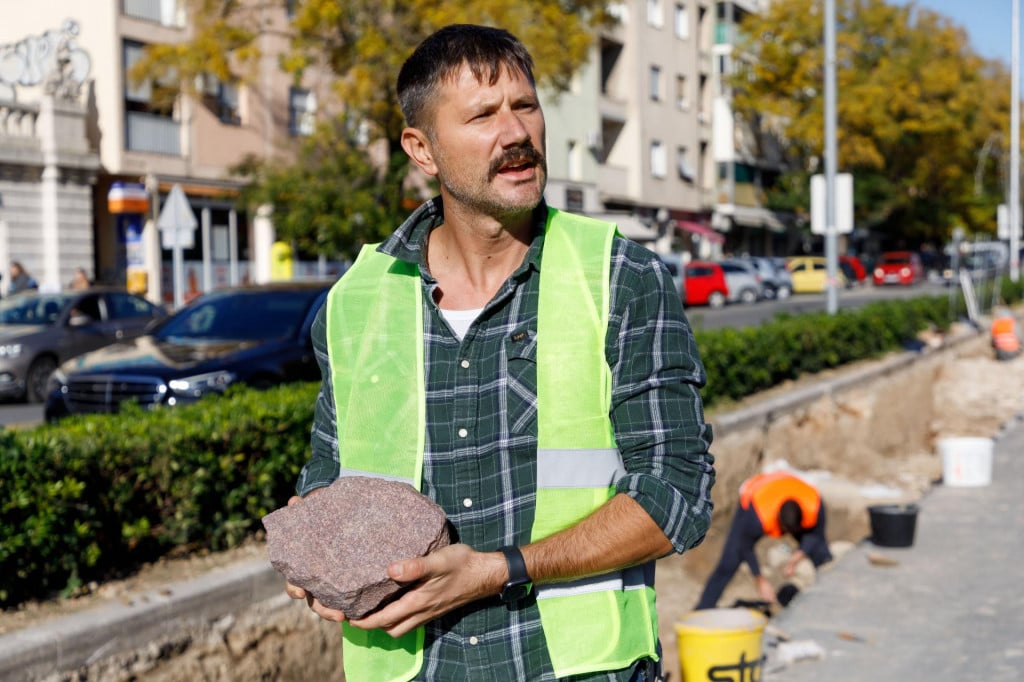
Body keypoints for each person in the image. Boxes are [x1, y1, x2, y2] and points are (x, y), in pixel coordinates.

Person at [285, 24, 715, 681]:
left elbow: (676, 497)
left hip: (578, 668)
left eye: (525, 105)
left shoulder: (619, 277)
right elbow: (329, 474)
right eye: (483, 115)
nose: (515, 133)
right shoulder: (357, 299)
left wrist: (500, 570)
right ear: (421, 148)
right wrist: (314, 545)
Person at [695, 471, 832, 611]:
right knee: (730, 559)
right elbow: (745, 546)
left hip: (790, 487)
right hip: (755, 495)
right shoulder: (756, 517)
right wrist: (759, 579)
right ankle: (703, 609)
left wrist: (797, 557)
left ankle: (828, 593)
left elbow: (816, 535)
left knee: (821, 552)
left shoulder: (814, 505)